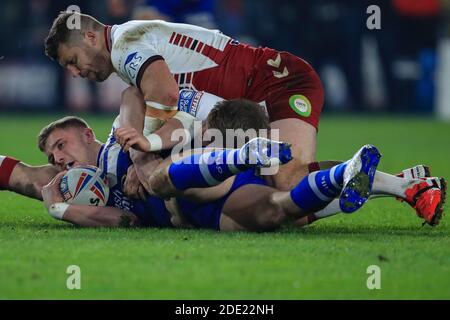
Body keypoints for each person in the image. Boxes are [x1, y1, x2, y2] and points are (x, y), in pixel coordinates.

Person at [43, 11, 324, 194]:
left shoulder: (124, 47)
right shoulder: (128, 39)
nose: (75, 73)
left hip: (279, 81)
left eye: (73, 61)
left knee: (286, 182)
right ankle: (357, 174)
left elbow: (165, 94)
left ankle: (361, 176)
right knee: (283, 186)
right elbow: (143, 96)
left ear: (91, 37)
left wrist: (142, 157)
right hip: (258, 91)